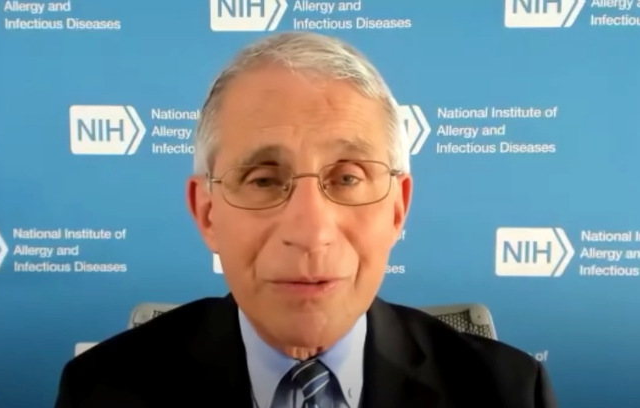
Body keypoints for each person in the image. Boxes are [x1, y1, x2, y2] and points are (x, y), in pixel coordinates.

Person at [53, 32, 558, 408]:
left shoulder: (507, 392)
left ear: (397, 208)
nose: (311, 232)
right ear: (207, 213)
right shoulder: (99, 390)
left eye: (347, 178)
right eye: (263, 180)